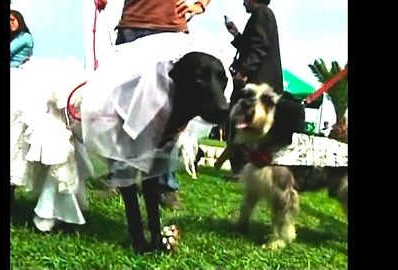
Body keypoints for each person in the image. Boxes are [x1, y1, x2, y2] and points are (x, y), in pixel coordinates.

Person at [93, 0, 212, 254]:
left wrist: (201, 3)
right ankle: (122, 176)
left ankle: (164, 185)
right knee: (122, 115)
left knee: (169, 117)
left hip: (170, 31)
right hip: (132, 26)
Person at [217, 0, 283, 177]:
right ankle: (245, 168)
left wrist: (244, 71)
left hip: (257, 82)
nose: (243, 2)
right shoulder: (263, 15)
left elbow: (259, 46)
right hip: (262, 82)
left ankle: (241, 168)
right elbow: (252, 45)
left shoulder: (261, 13)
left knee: (245, 123)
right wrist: (237, 34)